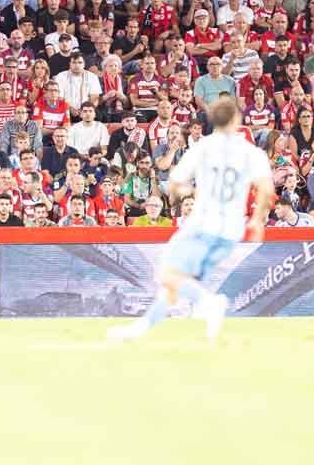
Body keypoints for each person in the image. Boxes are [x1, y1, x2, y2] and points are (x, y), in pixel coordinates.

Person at [108, 96, 273, 342]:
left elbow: (175, 182)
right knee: (177, 284)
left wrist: (183, 192)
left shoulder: (203, 147)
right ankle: (141, 330)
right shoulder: (251, 152)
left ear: (211, 120)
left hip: (203, 224)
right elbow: (266, 189)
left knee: (167, 274)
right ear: (238, 119)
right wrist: (257, 221)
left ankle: (209, 303)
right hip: (230, 230)